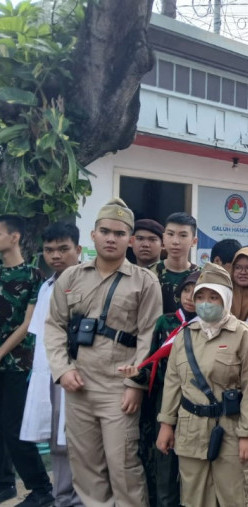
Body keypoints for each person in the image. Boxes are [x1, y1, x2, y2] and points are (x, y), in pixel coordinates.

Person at [45, 198, 162, 506]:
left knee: (123, 466)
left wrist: (135, 384)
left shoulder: (144, 281)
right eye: (105, 231)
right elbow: (55, 325)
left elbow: (149, 336)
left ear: (131, 240)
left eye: (120, 233)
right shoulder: (71, 277)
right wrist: (62, 369)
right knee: (85, 467)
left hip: (117, 388)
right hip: (78, 385)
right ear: (93, 235)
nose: (112, 238)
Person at [155, 263, 248, 507]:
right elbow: (173, 383)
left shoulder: (244, 336)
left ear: (226, 299)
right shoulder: (184, 336)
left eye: (213, 296)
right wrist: (166, 424)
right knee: (193, 499)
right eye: (200, 296)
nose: (205, 302)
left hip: (231, 431)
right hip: (190, 431)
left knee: (238, 498)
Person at [20, 222, 83, 507]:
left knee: (76, 441)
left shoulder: (86, 283)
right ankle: (62, 497)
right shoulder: (47, 286)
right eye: (49, 250)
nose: (55, 255)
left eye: (63, 249)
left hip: (76, 371)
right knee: (58, 440)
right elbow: (38, 334)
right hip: (48, 372)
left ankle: (77, 499)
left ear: (78, 249)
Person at [127, 270, 201, 507]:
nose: (190, 297)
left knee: (193, 461)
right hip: (164, 398)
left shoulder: (210, 325)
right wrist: (138, 374)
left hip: (197, 400)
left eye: (197, 292)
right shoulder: (166, 322)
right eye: (186, 290)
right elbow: (152, 359)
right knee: (164, 460)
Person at [0, 215, 53, 507]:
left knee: (13, 425)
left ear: (15, 237)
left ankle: (41, 488)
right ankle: (4, 484)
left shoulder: (34, 277)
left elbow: (27, 324)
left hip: (17, 363)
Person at [152, 212, 200, 314]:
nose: (175, 241)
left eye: (183, 235)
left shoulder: (202, 276)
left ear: (194, 241)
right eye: (170, 234)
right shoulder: (148, 274)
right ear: (163, 237)